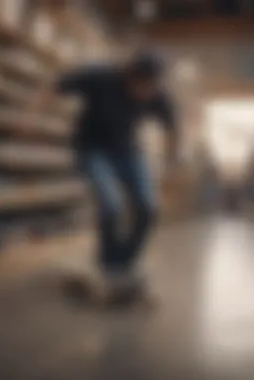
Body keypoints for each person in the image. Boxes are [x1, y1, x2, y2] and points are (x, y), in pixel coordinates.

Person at [56, 52, 178, 296]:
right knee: (112, 206)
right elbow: (59, 85)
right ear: (129, 77)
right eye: (142, 86)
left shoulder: (157, 94)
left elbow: (171, 128)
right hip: (93, 150)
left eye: (152, 88)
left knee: (148, 208)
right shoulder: (102, 79)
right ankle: (108, 264)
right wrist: (40, 106)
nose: (147, 94)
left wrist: (170, 160)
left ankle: (123, 263)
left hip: (129, 152)